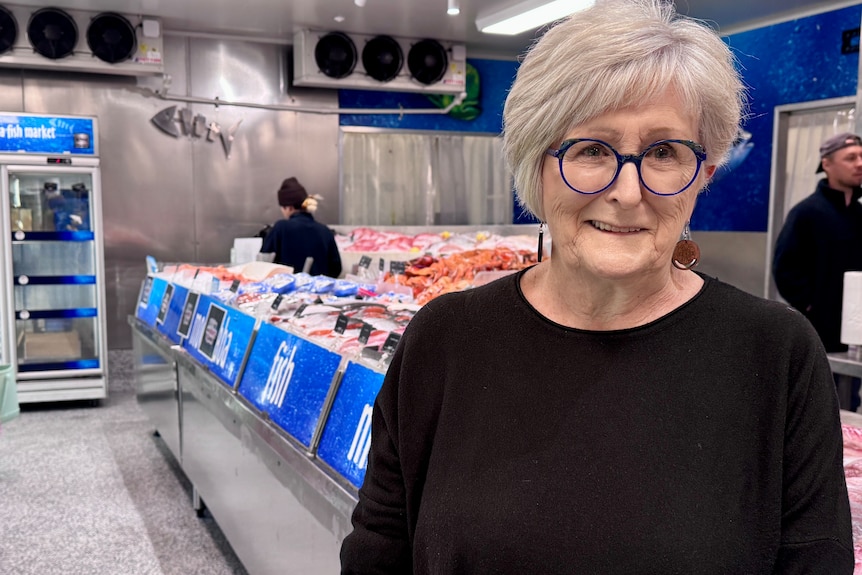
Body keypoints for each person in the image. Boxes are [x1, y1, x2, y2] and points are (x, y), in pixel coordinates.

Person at [339, 0, 853, 573]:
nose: (628, 192)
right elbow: (380, 550)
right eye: (590, 150)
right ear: (535, 164)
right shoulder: (446, 339)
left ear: (703, 173)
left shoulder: (775, 353)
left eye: (663, 152)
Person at [773, 132, 862, 354]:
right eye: (850, 158)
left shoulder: (859, 215)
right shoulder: (807, 213)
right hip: (818, 335)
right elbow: (785, 269)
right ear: (827, 164)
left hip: (855, 334)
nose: (859, 164)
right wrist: (813, 306)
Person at [260, 177, 342, 278]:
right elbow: (336, 268)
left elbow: (264, 261)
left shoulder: (281, 228)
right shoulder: (325, 231)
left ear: (289, 207)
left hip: (286, 292)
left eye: (282, 208)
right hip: (319, 292)